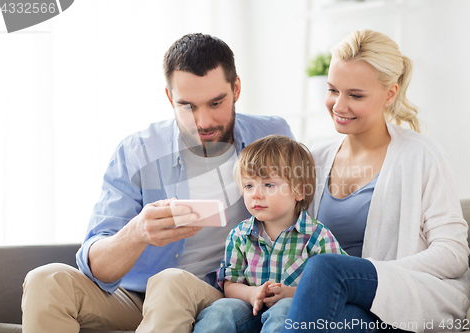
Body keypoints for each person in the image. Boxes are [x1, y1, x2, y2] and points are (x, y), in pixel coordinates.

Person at [21, 33, 294, 333]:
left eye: (216, 103)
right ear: (169, 98)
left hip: (217, 293)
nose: (203, 122)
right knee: (45, 280)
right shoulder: (137, 151)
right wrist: (137, 233)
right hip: (136, 297)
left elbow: (301, 210)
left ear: (236, 88)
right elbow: (95, 266)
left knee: (170, 281)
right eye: (187, 106)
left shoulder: (271, 137)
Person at [281, 30, 470, 333]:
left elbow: (453, 255)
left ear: (390, 93)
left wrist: (370, 273)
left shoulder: (422, 155)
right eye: (333, 90)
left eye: (355, 95)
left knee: (326, 267)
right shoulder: (313, 159)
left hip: (401, 303)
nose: (339, 106)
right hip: (332, 306)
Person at [193, 135, 346, 333]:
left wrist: (290, 293)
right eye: (249, 185)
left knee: (284, 309)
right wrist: (252, 294)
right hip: (248, 309)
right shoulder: (239, 235)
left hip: (291, 311)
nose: (255, 194)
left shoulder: (317, 237)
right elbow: (230, 284)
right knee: (221, 309)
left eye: (268, 185)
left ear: (299, 191)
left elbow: (336, 285)